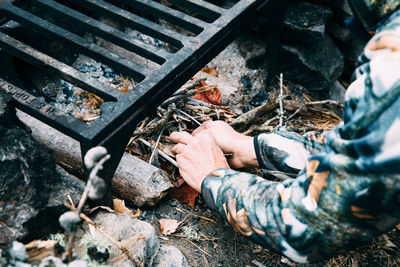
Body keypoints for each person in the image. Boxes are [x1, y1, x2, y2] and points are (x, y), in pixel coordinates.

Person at [169, 0, 400, 263]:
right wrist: (258, 149)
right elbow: (365, 151)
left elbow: (309, 226)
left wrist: (214, 179)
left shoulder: (393, 71)